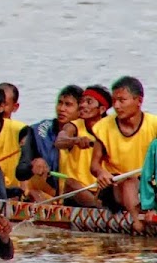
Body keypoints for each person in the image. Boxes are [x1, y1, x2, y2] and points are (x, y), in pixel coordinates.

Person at [90, 76, 157, 232]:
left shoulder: (154, 124)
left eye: (122, 100)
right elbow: (94, 165)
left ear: (138, 101)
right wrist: (101, 173)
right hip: (116, 184)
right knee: (128, 181)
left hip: (147, 183)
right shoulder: (103, 127)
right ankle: (138, 221)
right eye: (114, 101)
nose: (117, 106)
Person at [55, 85, 110, 206]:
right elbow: (60, 141)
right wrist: (75, 140)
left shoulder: (111, 129)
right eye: (81, 101)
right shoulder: (73, 126)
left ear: (101, 109)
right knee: (70, 182)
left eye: (89, 102)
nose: (83, 105)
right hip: (76, 193)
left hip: (102, 188)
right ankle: (99, 209)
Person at [27, 85, 83, 201]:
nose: (61, 109)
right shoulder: (39, 131)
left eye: (68, 105)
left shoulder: (87, 134)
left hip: (75, 193)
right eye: (60, 103)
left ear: (80, 110)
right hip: (46, 191)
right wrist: (35, 161)